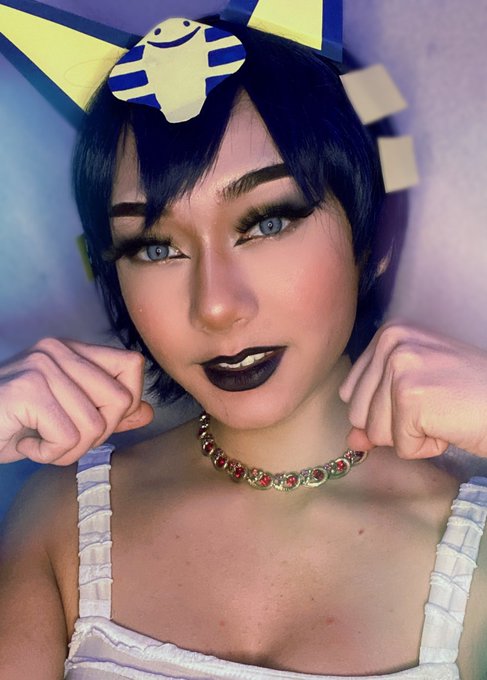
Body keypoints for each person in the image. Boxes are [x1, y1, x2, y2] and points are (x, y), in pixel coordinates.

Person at [0, 11, 487, 680]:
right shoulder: (60, 520)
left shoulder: (473, 546)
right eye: (155, 247)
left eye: (266, 222)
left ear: (370, 239)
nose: (216, 306)